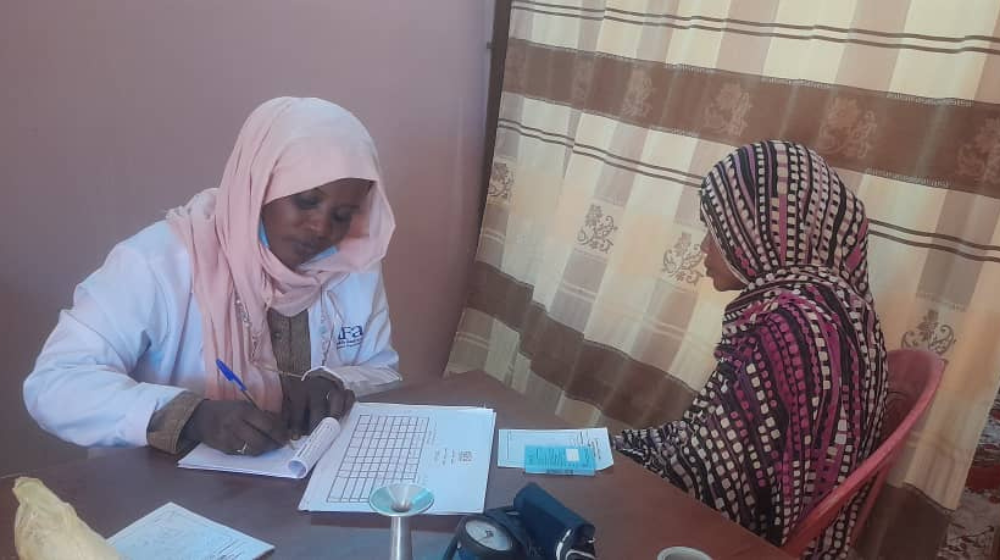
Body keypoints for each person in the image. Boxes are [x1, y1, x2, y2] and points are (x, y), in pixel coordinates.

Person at [24, 97, 400, 458]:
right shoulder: (158, 264)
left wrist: (337, 383)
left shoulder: (350, 266)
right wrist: (188, 415)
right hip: (162, 493)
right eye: (305, 201)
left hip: (296, 487)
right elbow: (55, 385)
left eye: (343, 214)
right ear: (258, 186)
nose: (321, 228)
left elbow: (384, 371)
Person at [614, 140, 887, 558]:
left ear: (763, 232)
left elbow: (716, 484)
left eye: (717, 229)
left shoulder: (789, 325)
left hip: (736, 541)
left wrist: (618, 457)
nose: (705, 246)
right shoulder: (836, 301)